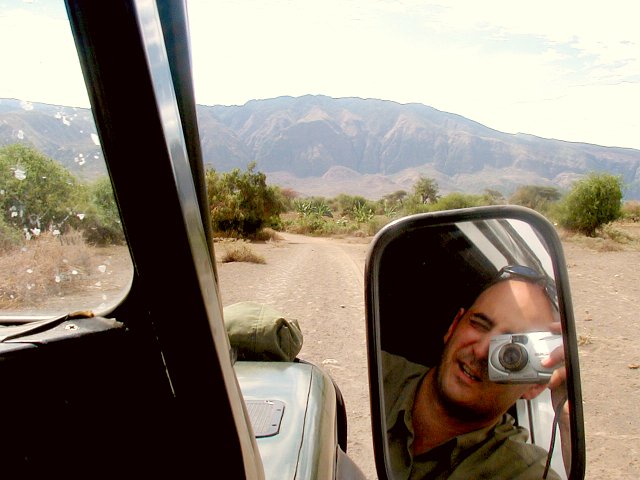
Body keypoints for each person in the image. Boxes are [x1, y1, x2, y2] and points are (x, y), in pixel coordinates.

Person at [382, 265, 570, 480]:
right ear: (453, 326)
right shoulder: (375, 376)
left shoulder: (519, 471)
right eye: (479, 324)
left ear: (535, 385)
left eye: (511, 352)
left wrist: (568, 420)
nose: (481, 351)